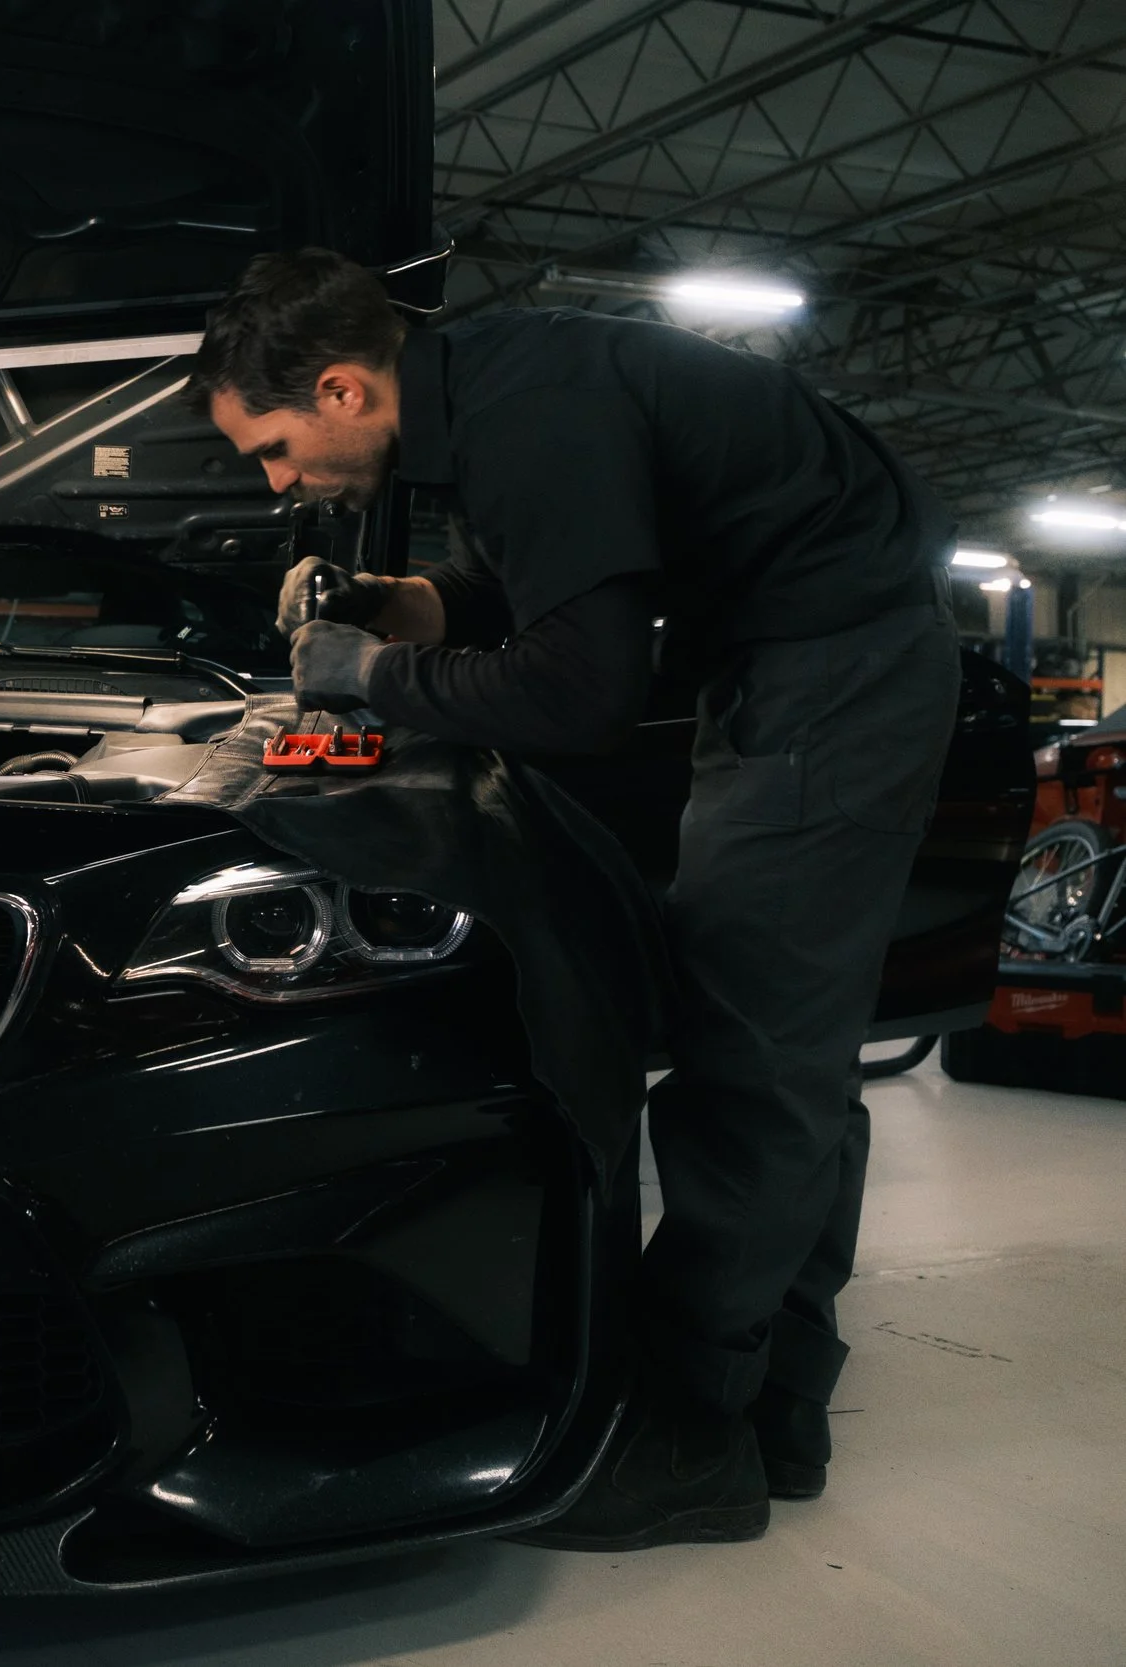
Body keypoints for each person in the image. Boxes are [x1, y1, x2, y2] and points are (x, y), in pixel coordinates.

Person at [185, 248, 961, 1551]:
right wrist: (414, 611)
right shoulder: (492, 392)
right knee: (792, 1058)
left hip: (832, 678)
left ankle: (685, 1431)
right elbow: (564, 586)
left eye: (270, 446)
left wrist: (370, 674)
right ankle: (777, 1411)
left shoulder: (524, 415)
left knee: (751, 1059)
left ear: (337, 390)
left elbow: (581, 695)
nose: (276, 482)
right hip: (801, 663)